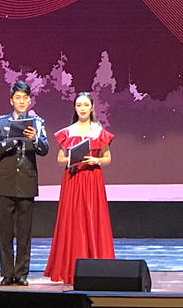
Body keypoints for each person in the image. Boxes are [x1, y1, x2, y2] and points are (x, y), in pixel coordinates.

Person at [44, 92, 115, 284]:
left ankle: (96, 267)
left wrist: (96, 160)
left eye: (85, 105)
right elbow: (60, 159)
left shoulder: (99, 132)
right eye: (79, 105)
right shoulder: (67, 132)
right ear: (75, 108)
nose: (82, 108)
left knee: (93, 219)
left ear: (92, 107)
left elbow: (107, 158)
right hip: (73, 178)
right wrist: (72, 159)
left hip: (92, 179)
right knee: (73, 220)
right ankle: (69, 268)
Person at [0, 80, 49, 287]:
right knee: (5, 232)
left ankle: (21, 273)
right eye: (18, 98)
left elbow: (44, 150)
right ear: (11, 100)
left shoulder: (37, 123)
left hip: (27, 182)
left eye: (25, 98)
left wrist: (34, 139)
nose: (21, 101)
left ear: (29, 100)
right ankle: (7, 273)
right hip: (6, 182)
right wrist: (11, 140)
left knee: (24, 232)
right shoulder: (0, 123)